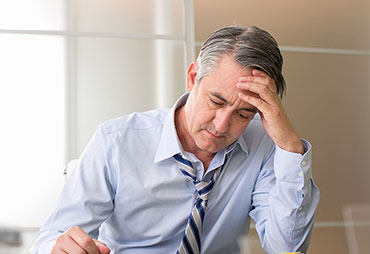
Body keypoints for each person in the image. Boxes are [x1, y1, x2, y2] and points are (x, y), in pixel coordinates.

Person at [31, 26, 319, 254]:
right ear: (193, 77)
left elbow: (287, 247)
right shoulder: (116, 141)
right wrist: (61, 248)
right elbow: (51, 238)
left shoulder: (266, 147)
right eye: (216, 101)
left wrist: (290, 148)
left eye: (244, 114)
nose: (221, 126)